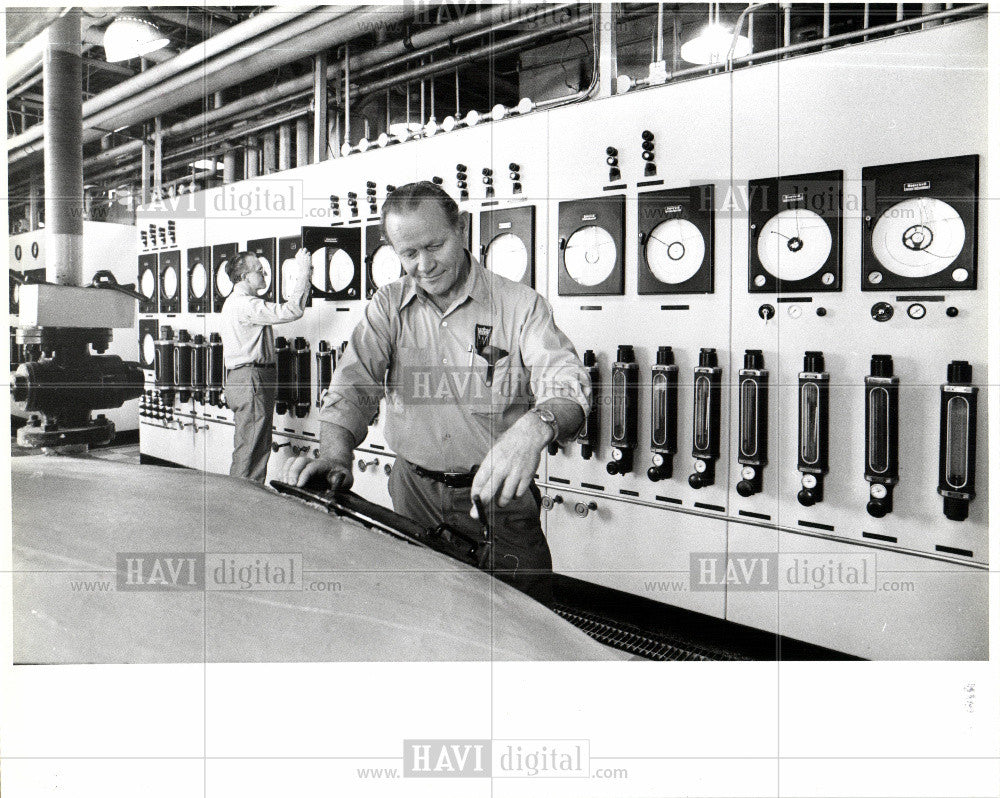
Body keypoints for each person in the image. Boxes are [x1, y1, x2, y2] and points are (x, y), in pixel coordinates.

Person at [285, 181, 590, 604]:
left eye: (435, 245)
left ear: (462, 229)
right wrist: (334, 456)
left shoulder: (521, 306)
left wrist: (537, 426)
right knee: (423, 620)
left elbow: (566, 383)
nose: (424, 264)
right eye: (409, 253)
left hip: (498, 499)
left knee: (525, 625)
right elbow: (352, 387)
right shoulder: (388, 307)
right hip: (414, 496)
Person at [221, 247, 313, 482]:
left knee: (253, 447)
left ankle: (245, 504)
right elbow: (292, 310)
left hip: (242, 379)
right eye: (259, 271)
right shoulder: (246, 305)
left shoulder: (232, 303)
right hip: (252, 379)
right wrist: (303, 271)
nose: (264, 275)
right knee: (250, 451)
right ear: (244, 277)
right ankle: (239, 507)